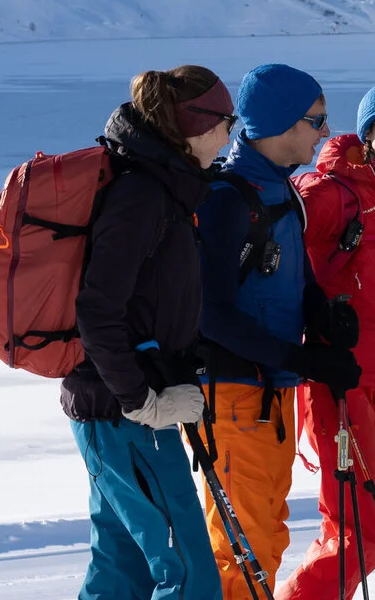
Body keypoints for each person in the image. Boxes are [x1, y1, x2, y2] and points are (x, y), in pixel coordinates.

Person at [62, 64, 235, 600]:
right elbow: (97, 309)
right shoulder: (144, 196)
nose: (233, 133)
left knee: (122, 569)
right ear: (199, 128)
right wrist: (143, 401)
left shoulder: (164, 189)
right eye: (227, 120)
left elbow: (150, 304)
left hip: (114, 412)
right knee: (188, 575)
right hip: (127, 416)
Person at [194, 63, 364, 599]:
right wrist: (305, 359)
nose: (324, 134)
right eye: (317, 121)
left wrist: (321, 314)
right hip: (235, 395)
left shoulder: (281, 192)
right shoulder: (226, 200)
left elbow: (296, 276)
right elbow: (212, 316)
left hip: (272, 393)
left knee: (266, 536)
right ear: (281, 123)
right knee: (240, 546)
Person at [281, 81, 375, 598]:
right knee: (365, 534)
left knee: (350, 522)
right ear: (366, 133)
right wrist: (315, 334)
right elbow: (278, 264)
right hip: (339, 381)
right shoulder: (329, 193)